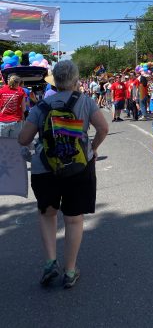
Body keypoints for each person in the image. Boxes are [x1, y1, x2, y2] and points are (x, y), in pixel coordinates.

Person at [18, 60, 109, 288]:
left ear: (54, 81)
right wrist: (93, 148)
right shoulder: (86, 101)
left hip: (45, 169)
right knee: (74, 219)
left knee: (47, 214)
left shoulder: (41, 106)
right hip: (79, 167)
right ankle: (70, 271)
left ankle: (50, 263)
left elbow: (23, 139)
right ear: (76, 80)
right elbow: (103, 128)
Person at [0, 74, 26, 138]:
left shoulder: (1, 90)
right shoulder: (21, 91)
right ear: (18, 83)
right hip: (16, 121)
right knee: (14, 143)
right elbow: (24, 109)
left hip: (3, 121)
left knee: (3, 144)